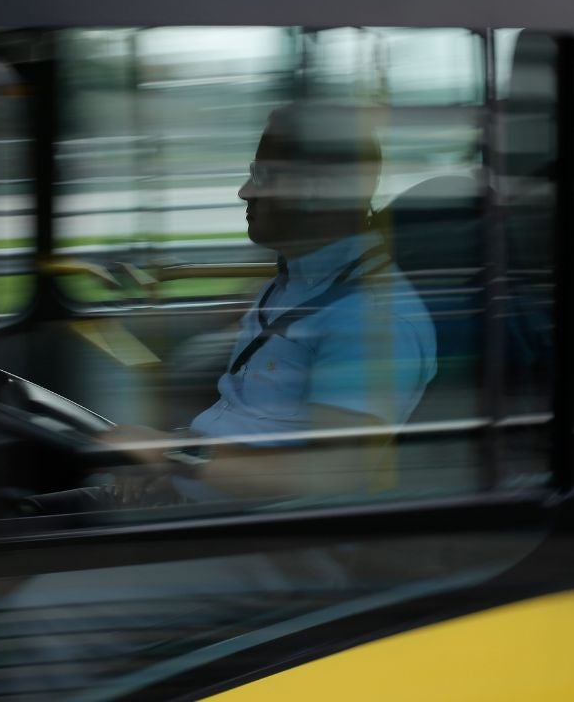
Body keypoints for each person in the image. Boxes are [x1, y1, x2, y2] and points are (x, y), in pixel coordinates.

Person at [103, 101, 437, 499]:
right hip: (189, 504)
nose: (244, 193)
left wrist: (170, 452)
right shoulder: (293, 283)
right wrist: (164, 456)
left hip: (249, 546)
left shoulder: (369, 319)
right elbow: (249, 430)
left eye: (263, 177)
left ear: (315, 193)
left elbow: (331, 477)